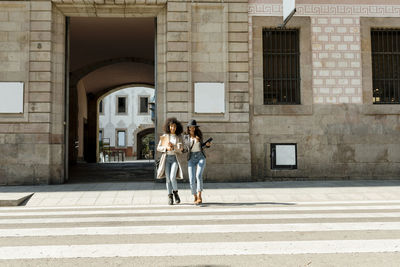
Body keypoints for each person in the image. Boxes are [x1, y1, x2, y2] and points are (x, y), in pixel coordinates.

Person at [157, 117, 185, 205]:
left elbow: (181, 150)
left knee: (173, 177)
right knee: (168, 179)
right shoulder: (165, 136)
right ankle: (170, 196)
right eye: (171, 126)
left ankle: (176, 193)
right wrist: (166, 148)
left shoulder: (179, 137)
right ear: (168, 127)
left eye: (174, 126)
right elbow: (158, 148)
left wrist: (175, 148)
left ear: (177, 127)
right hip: (166, 159)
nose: (173, 128)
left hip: (174, 158)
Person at [184, 119, 211, 205]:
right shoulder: (186, 137)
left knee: (198, 175)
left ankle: (199, 196)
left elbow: (202, 147)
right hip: (191, 158)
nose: (192, 128)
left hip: (200, 157)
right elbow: (185, 149)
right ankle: (194, 195)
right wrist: (181, 149)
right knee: (191, 178)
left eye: (193, 127)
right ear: (188, 128)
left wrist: (207, 145)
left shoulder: (199, 135)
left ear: (195, 128)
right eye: (190, 127)